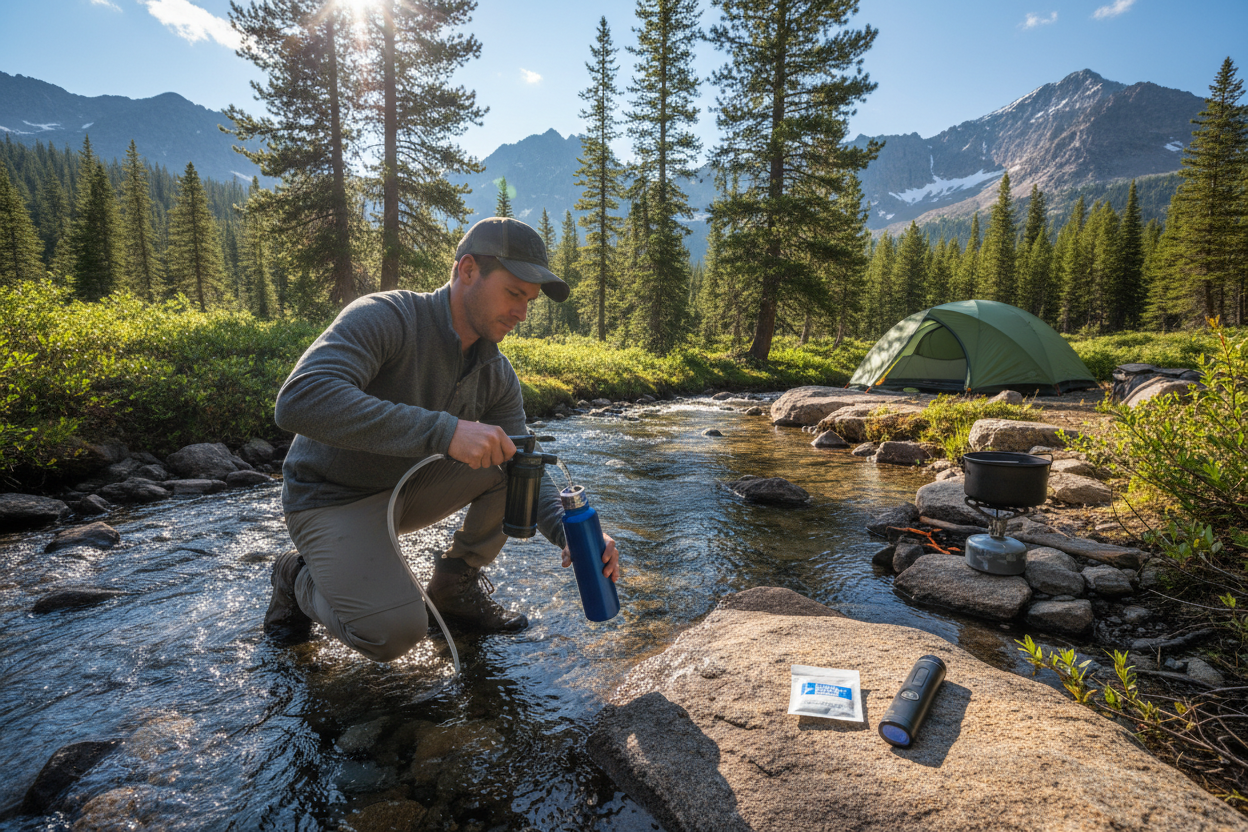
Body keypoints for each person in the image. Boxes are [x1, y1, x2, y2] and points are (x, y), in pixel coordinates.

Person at [264, 217, 619, 662]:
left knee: (510, 458)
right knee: (393, 634)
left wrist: (569, 533)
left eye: (528, 301)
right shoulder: (387, 316)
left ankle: (454, 586)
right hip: (331, 497)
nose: (522, 314)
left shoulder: (497, 375)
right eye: (513, 293)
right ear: (467, 270)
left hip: (408, 494)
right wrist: (445, 432)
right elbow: (299, 399)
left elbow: (526, 461)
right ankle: (294, 574)